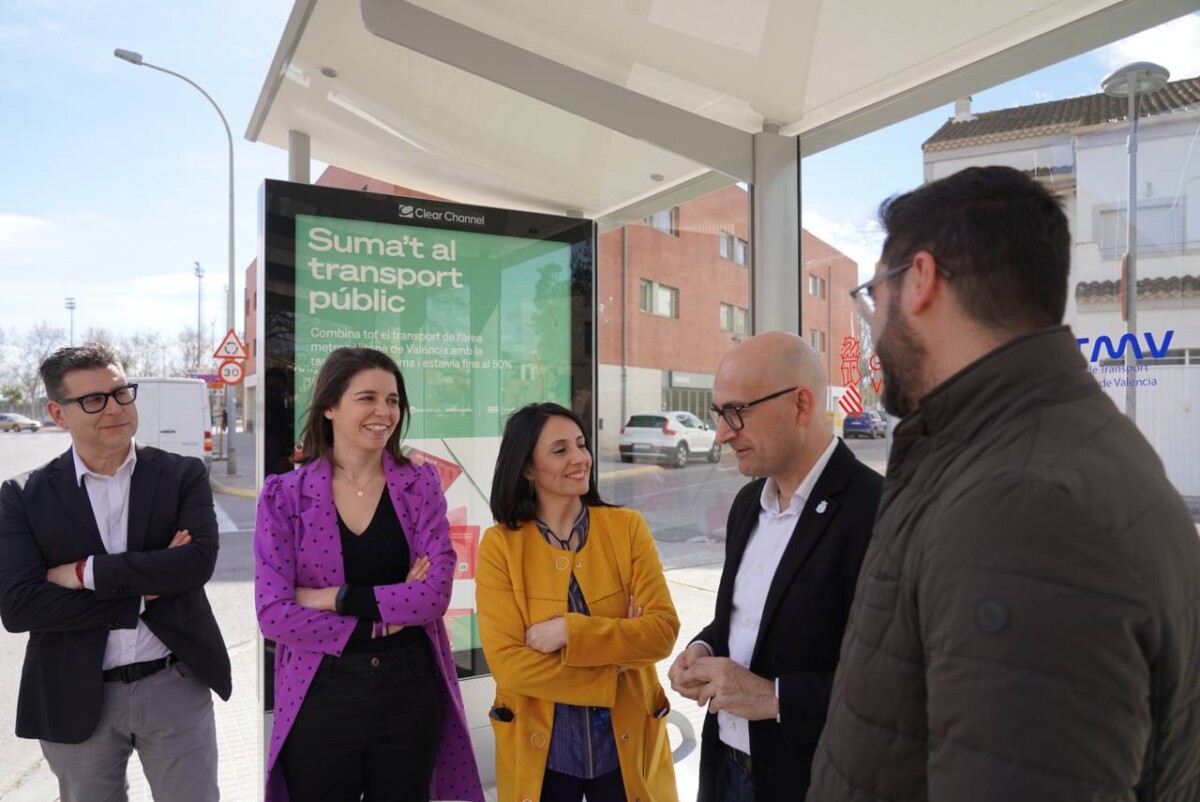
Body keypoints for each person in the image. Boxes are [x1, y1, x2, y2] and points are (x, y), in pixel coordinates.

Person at [807, 166, 1200, 801]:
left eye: (873, 297)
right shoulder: (1052, 450)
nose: (872, 329)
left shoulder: (1020, 505)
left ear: (921, 282)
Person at [0, 343, 231, 802]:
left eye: (121, 392)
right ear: (58, 413)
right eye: (93, 400)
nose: (114, 408)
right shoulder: (22, 496)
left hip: (175, 682)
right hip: (75, 693)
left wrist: (84, 573)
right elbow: (20, 605)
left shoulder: (181, 475)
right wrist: (142, 593)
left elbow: (195, 563)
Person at [254, 347, 483, 802]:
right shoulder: (284, 495)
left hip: (409, 688)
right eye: (368, 398)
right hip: (321, 690)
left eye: (393, 400)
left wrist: (333, 597)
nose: (385, 412)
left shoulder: (421, 485)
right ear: (330, 407)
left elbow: (433, 598)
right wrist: (389, 609)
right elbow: (275, 616)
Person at [668, 332, 883, 802]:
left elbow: (902, 686)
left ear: (801, 405)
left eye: (736, 412)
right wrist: (704, 647)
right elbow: (748, 619)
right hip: (724, 766)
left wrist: (776, 698)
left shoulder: (880, 511)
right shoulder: (749, 504)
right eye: (717, 415)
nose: (723, 433)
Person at [477, 402, 680, 802]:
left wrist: (569, 631)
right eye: (560, 450)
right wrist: (616, 663)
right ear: (528, 469)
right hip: (546, 757)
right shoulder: (500, 545)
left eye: (581, 444)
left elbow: (661, 634)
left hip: (626, 750)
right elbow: (510, 666)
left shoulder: (628, 529)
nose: (580, 458)